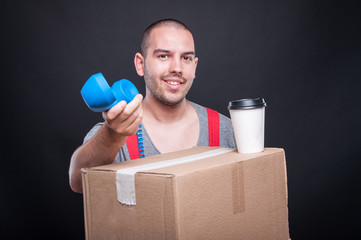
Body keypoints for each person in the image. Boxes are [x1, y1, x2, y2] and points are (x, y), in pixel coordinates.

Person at [69, 19, 236, 193]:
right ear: (140, 64)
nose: (177, 68)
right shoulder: (114, 131)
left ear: (194, 67)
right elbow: (78, 182)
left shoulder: (227, 130)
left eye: (186, 58)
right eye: (163, 56)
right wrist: (112, 135)